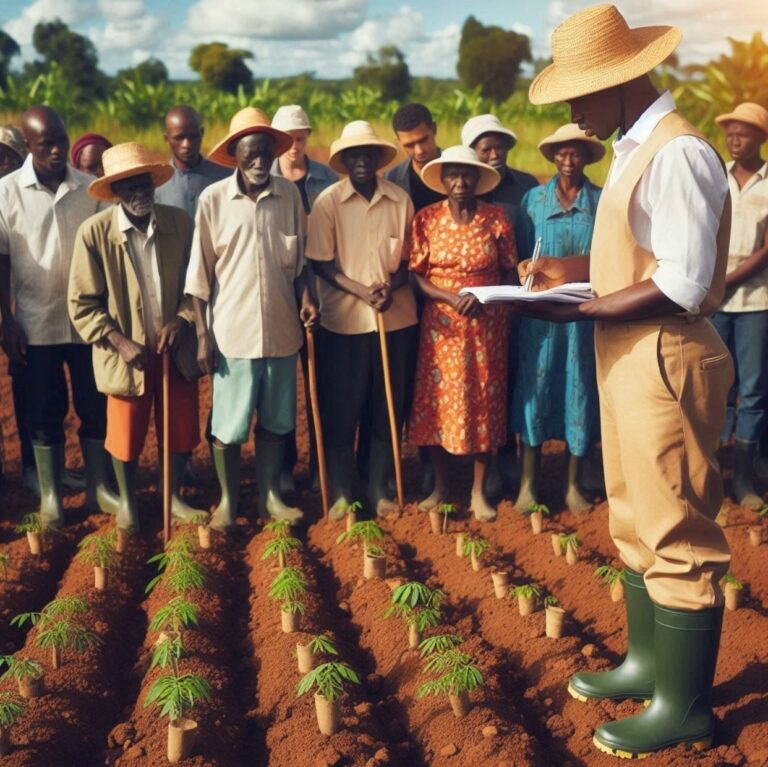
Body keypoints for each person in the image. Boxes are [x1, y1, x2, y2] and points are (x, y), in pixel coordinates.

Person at [524, 5, 733, 757]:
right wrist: (566, 274)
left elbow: (682, 279)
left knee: (675, 523)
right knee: (634, 515)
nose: (575, 114)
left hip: (666, 350)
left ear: (625, 79)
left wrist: (581, 309)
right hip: (627, 348)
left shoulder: (677, 152)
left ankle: (684, 706)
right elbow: (641, 256)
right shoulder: (635, 147)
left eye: (583, 94)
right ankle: (649, 663)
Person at [185, 107, 319, 530]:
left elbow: (299, 266)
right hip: (233, 335)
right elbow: (198, 278)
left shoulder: (290, 197)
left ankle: (270, 497)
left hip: (282, 333)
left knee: (277, 421)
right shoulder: (213, 201)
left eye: (265, 153)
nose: (259, 161)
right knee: (230, 424)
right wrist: (203, 336)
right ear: (235, 155)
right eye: (250, 154)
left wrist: (308, 297)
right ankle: (227, 501)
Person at [69, 143, 204, 531]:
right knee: (125, 434)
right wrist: (119, 341)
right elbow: (82, 303)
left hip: (175, 348)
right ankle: (128, 502)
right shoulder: (93, 234)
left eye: (144, 183)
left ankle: (173, 495)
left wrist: (180, 321)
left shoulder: (179, 223)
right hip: (126, 355)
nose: (139, 193)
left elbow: (196, 285)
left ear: (154, 184)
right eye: (128, 186)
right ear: (115, 191)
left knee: (180, 428)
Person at [0, 106, 117, 525]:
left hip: (88, 322)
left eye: (60, 142)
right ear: (28, 146)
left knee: (94, 404)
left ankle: (98, 488)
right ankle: (50, 498)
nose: (55, 150)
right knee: (43, 411)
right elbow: (2, 261)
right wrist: (6, 320)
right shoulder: (6, 193)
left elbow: (108, 255)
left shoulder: (90, 190)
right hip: (35, 321)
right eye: (45, 143)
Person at [307, 120, 418, 518]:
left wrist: (393, 286)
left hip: (396, 320)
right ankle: (340, 491)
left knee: (387, 406)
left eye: (367, 154)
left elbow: (411, 261)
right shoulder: (328, 203)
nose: (361, 161)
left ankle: (379, 488)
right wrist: (359, 289)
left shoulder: (400, 200)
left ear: (377, 159)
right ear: (343, 161)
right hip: (344, 324)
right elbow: (320, 263)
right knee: (342, 406)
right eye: (353, 155)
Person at [407, 145, 515, 522]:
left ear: (477, 179)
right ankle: (440, 486)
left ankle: (478, 491)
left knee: (482, 401)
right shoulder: (426, 220)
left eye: (467, 175)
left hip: (486, 326)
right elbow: (415, 274)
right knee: (438, 401)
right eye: (452, 175)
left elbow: (510, 271)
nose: (459, 182)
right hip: (442, 327)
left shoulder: (496, 219)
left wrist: (483, 297)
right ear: (443, 180)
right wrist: (449, 297)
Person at [512, 124, 604, 513]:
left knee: (580, 389)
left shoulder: (601, 201)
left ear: (586, 157)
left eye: (576, 153)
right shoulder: (532, 200)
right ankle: (528, 485)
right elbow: (517, 253)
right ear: (552, 157)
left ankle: (573, 485)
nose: (568, 161)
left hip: (583, 315)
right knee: (536, 388)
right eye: (562, 154)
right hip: (539, 319)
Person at [462, 113, 539, 495]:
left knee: (511, 377)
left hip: (514, 298)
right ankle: (486, 463)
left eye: (499, 146)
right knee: (480, 383)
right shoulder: (465, 188)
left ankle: (509, 456)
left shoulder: (524, 186)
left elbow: (529, 242)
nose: (494, 154)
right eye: (485, 148)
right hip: (471, 306)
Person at [270, 104, 338, 494]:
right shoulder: (265, 181)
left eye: (302, 138)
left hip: (323, 295)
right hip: (281, 296)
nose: (296, 146)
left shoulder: (325, 179)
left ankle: (320, 465)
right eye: (289, 140)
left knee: (320, 385)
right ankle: (283, 467)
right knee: (281, 387)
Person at [710, 103, 768, 510]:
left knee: (752, 391)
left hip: (755, 302)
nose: (734, 139)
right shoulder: (716, 179)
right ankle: (713, 474)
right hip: (714, 299)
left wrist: (725, 282)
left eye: (743, 133)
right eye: (729, 131)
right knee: (713, 388)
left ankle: (744, 479)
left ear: (761, 139)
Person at [0, 126, 32, 489]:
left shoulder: (20, 196)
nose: (2, 163)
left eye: (7, 155)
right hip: (8, 311)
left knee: (27, 388)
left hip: (26, 311)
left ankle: (29, 465)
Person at [154, 105, 230, 218]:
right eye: (179, 138)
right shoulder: (156, 186)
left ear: (202, 133)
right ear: (167, 139)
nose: (187, 145)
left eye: (193, 136)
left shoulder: (226, 178)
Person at [385, 103, 445, 212]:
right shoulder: (391, 180)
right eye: (409, 145)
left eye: (423, 140)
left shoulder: (460, 168)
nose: (419, 151)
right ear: (398, 142)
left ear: (434, 129)